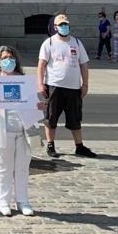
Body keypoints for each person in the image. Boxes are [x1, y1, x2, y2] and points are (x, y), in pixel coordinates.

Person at [0, 46, 45, 216]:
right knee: (4, 168)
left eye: (11, 57)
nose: (9, 60)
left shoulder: (23, 80)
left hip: (24, 130)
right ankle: (4, 201)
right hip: (3, 130)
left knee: (22, 168)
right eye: (5, 58)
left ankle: (23, 201)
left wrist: (38, 106)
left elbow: (33, 103)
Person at [37, 13, 97, 159]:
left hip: (73, 88)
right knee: (51, 117)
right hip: (53, 85)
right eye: (61, 25)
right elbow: (41, 65)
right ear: (55, 27)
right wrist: (40, 83)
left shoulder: (76, 42)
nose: (64, 27)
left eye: (66, 24)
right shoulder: (49, 43)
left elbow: (84, 64)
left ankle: (79, 146)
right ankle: (51, 145)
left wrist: (85, 84)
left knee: (75, 117)